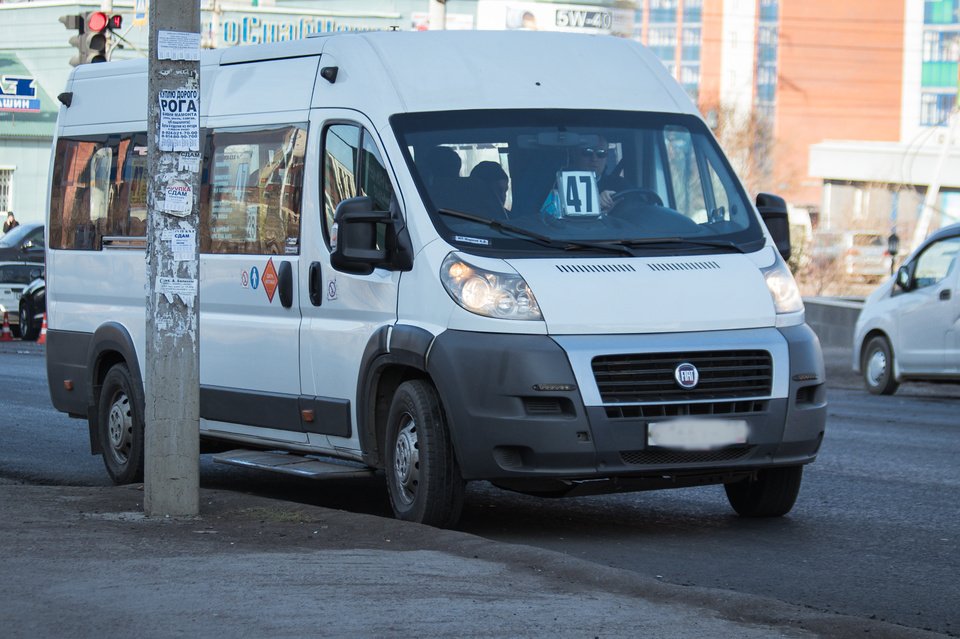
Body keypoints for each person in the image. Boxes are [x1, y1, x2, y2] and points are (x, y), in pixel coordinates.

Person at [540, 136, 626, 219]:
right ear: (574, 155)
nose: (594, 158)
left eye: (601, 153)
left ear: (606, 157)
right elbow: (543, 218)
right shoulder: (556, 184)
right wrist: (594, 204)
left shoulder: (620, 186)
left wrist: (610, 202)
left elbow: (633, 217)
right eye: (587, 152)